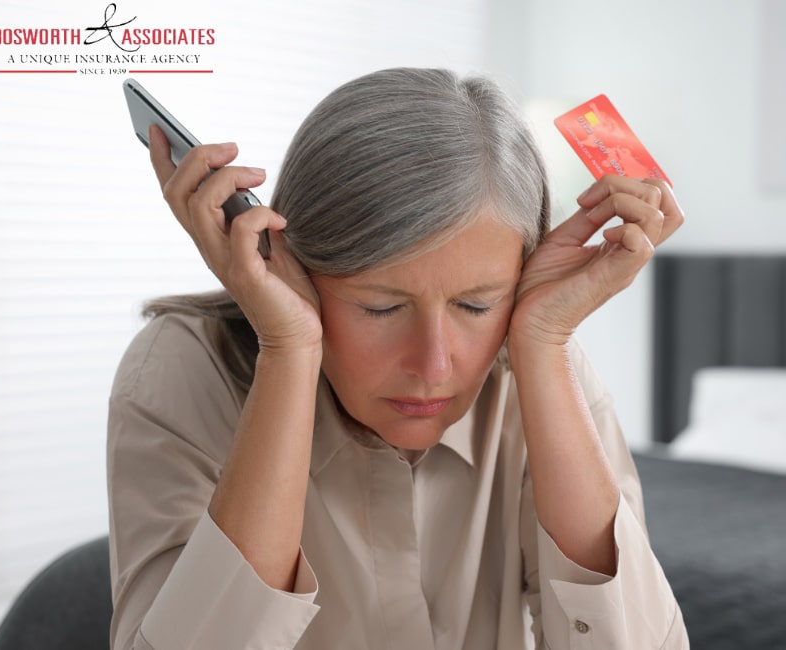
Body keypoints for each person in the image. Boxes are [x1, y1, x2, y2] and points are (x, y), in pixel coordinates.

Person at [107, 67, 689, 649]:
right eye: (382, 308)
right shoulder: (182, 370)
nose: (434, 366)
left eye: (475, 304)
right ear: (291, 266)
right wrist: (289, 350)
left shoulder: (541, 360)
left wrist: (543, 344)